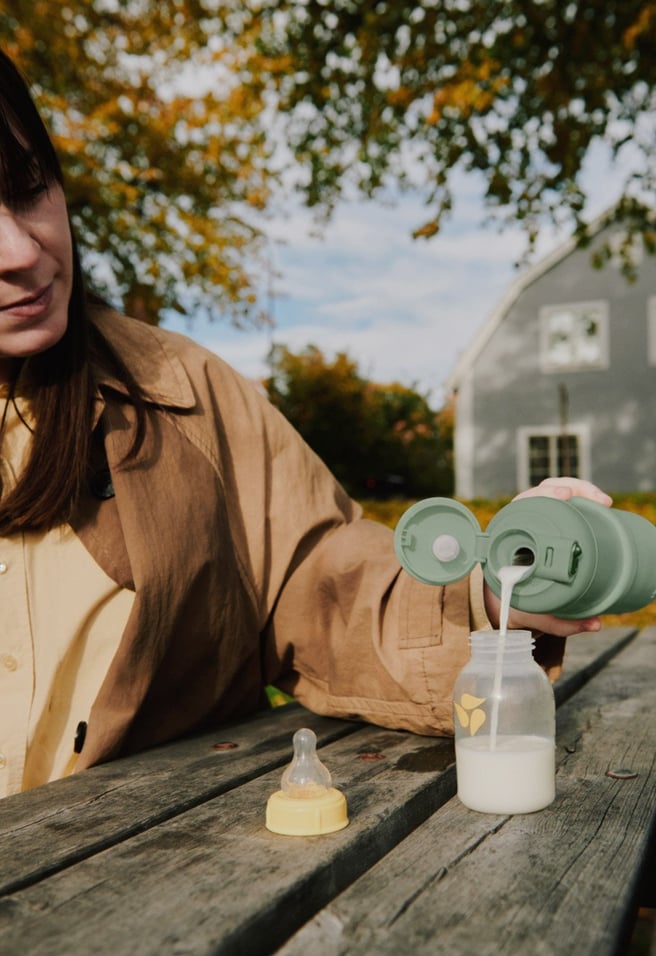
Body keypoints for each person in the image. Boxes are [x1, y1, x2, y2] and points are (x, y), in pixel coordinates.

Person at [0, 48, 612, 798]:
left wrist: (486, 595)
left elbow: (318, 579)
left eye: (29, 189)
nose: (22, 251)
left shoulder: (181, 391)